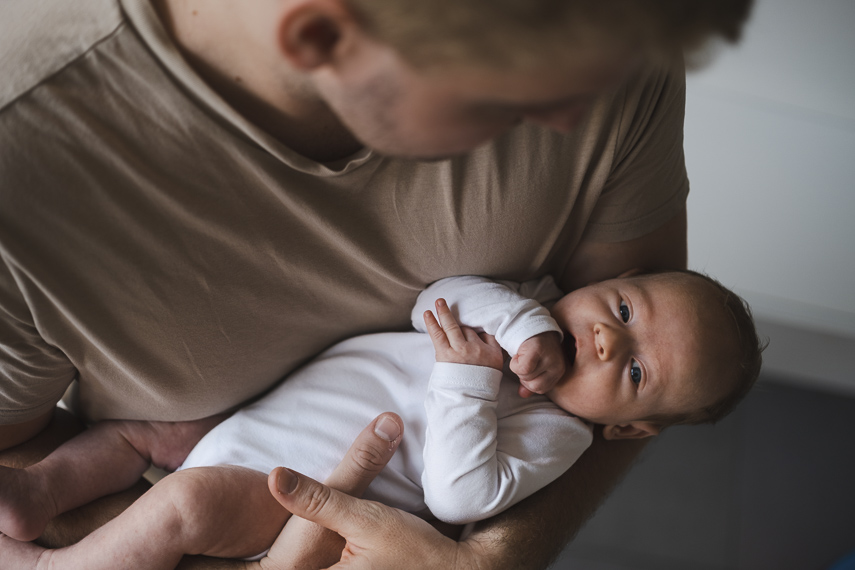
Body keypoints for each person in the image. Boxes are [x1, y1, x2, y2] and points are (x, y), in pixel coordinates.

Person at [0, 0, 754, 567]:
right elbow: (446, 304)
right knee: (148, 447)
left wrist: (485, 562)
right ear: (321, 38)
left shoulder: (607, 32)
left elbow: (644, 379)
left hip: (276, 488)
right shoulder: (24, 165)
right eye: (510, 90)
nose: (570, 117)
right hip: (224, 455)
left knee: (183, 486)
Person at [0, 270, 763, 568]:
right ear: (613, 281)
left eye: (634, 372)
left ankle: (57, 569)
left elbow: (457, 497)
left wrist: (469, 380)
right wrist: (520, 324)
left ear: (627, 430)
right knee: (150, 428)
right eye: (623, 310)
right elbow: (434, 298)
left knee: (186, 502)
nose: (603, 340)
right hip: (241, 423)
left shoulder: (558, 434)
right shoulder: (524, 302)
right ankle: (42, 493)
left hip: (277, 494)